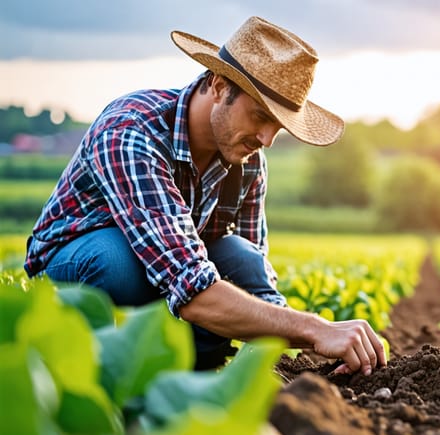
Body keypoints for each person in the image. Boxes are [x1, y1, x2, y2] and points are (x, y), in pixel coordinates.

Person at [24, 16, 386, 374]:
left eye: (277, 127)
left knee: (240, 257)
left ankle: (198, 368)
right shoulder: (131, 131)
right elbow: (192, 288)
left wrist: (286, 361)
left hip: (173, 283)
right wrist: (313, 329)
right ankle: (89, 364)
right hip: (75, 268)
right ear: (217, 85)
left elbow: (251, 274)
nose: (266, 139)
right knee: (117, 261)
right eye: (260, 115)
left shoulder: (248, 158)